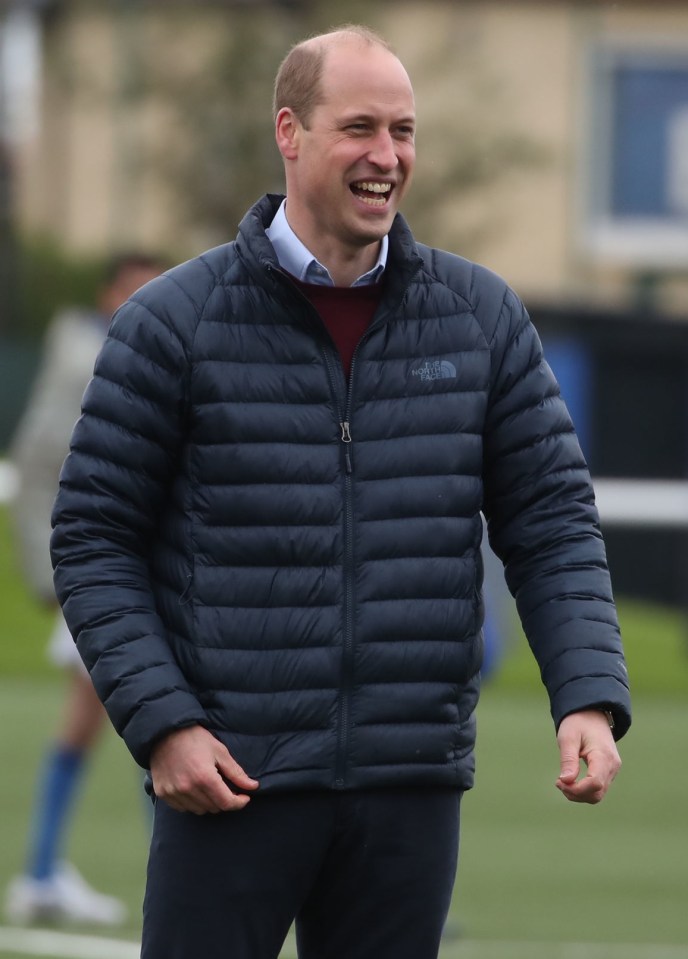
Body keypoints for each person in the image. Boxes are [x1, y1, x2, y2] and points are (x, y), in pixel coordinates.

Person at [49, 26, 631, 959]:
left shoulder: (480, 316)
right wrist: (164, 726)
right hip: (231, 776)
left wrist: (589, 694)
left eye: (404, 130)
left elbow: (553, 521)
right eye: (360, 126)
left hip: (410, 784)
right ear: (290, 130)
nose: (387, 155)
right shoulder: (173, 321)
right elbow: (91, 537)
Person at [5, 253, 166, 926]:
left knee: (116, 712)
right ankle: (46, 873)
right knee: (152, 710)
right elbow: (40, 464)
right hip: (103, 569)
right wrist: (53, 573)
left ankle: (42, 871)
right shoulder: (85, 357)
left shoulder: (148, 350)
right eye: (134, 288)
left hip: (132, 565)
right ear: (107, 294)